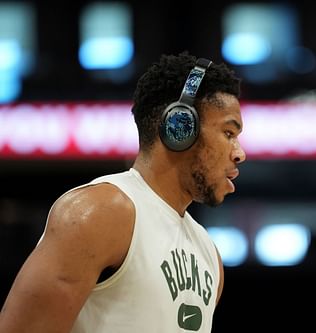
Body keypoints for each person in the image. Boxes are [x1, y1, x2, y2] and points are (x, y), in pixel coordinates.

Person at [0, 51, 246, 332]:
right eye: (229, 133)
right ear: (180, 126)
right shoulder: (99, 213)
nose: (240, 154)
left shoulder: (209, 254)